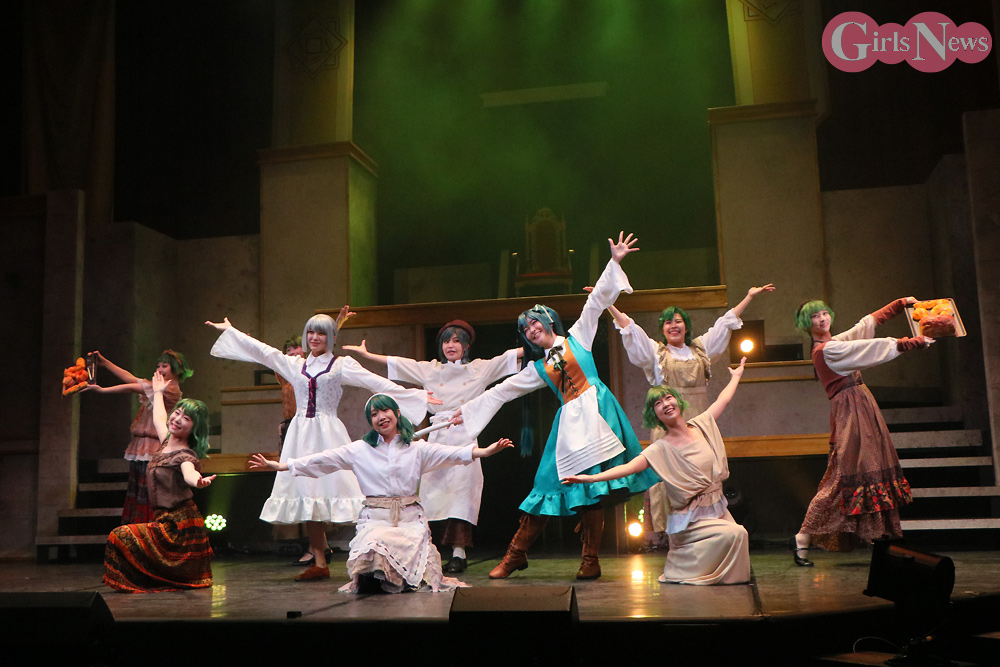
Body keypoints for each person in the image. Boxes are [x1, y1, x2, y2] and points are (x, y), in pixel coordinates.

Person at [453, 232, 660, 580]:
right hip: (569, 424)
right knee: (547, 482)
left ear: (549, 321)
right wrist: (467, 410)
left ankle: (590, 560)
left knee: (593, 487)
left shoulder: (578, 336)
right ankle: (516, 554)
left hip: (599, 415)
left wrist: (614, 261)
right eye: (525, 329)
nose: (531, 330)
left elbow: (595, 301)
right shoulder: (538, 368)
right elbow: (503, 390)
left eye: (534, 322)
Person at [206, 308, 435, 581]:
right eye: (311, 332)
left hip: (328, 433)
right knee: (308, 496)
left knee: (353, 493)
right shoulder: (295, 365)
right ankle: (319, 561)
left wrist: (416, 396)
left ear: (332, 337)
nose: (314, 337)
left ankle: (376, 554)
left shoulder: (341, 365)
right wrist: (231, 332)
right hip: (301, 435)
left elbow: (375, 382)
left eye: (321, 333)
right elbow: (264, 352)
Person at [249, 394, 513, 593]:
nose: (380, 417)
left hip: (409, 521)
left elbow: (453, 454)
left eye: (385, 410)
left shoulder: (417, 449)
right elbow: (322, 459)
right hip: (375, 521)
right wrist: (281, 465)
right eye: (374, 414)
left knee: (415, 576)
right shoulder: (359, 450)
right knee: (374, 552)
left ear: (396, 413)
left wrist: (485, 451)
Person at [342, 320, 521, 573]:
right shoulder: (430, 369)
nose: (451, 345)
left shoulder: (480, 368)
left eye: (456, 341)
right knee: (431, 497)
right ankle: (424, 551)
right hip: (437, 437)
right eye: (446, 341)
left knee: (461, 497)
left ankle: (459, 553)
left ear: (467, 345)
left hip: (464, 434)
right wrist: (367, 354)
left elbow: (509, 357)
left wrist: (543, 341)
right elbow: (398, 363)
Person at [601, 283, 773, 540]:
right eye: (668, 322)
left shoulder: (700, 350)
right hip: (670, 428)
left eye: (678, 321)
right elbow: (630, 328)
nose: (674, 326)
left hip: (700, 425)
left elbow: (724, 323)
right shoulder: (657, 353)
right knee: (672, 479)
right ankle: (676, 537)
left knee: (706, 476)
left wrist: (748, 296)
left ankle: (710, 531)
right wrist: (608, 304)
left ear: (686, 326)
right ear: (662, 329)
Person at [563, 358, 751, 585]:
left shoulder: (701, 425)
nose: (666, 404)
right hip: (691, 521)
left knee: (738, 536)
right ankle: (687, 570)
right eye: (658, 403)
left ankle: (723, 579)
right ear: (656, 416)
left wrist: (736, 376)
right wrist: (590, 477)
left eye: (669, 398)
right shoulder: (660, 448)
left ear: (678, 402)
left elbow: (723, 399)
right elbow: (627, 468)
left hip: (717, 508)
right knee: (738, 533)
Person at [791, 298, 932, 566]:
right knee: (845, 476)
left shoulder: (835, 343)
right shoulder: (827, 350)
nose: (822, 318)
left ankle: (881, 539)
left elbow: (866, 324)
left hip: (861, 405)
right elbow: (868, 348)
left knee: (871, 469)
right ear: (806, 323)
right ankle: (803, 536)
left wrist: (900, 304)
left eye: (824, 313)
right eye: (815, 316)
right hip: (851, 411)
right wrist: (910, 343)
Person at [103, 370, 215, 593]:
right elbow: (159, 417)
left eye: (186, 419)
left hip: (179, 529)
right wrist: (157, 392)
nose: (177, 419)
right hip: (163, 521)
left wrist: (198, 481)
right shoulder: (165, 442)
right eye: (178, 413)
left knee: (120, 535)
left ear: (194, 428)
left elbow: (189, 473)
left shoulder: (185, 455)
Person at [83, 349, 194, 524]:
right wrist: (106, 363)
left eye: (164, 366)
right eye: (158, 365)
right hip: (143, 447)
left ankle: (149, 529)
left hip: (153, 448)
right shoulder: (158, 387)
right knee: (139, 492)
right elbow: (132, 379)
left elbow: (132, 387)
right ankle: (138, 527)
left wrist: (103, 390)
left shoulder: (169, 389)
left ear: (177, 369)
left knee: (148, 492)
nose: (159, 369)